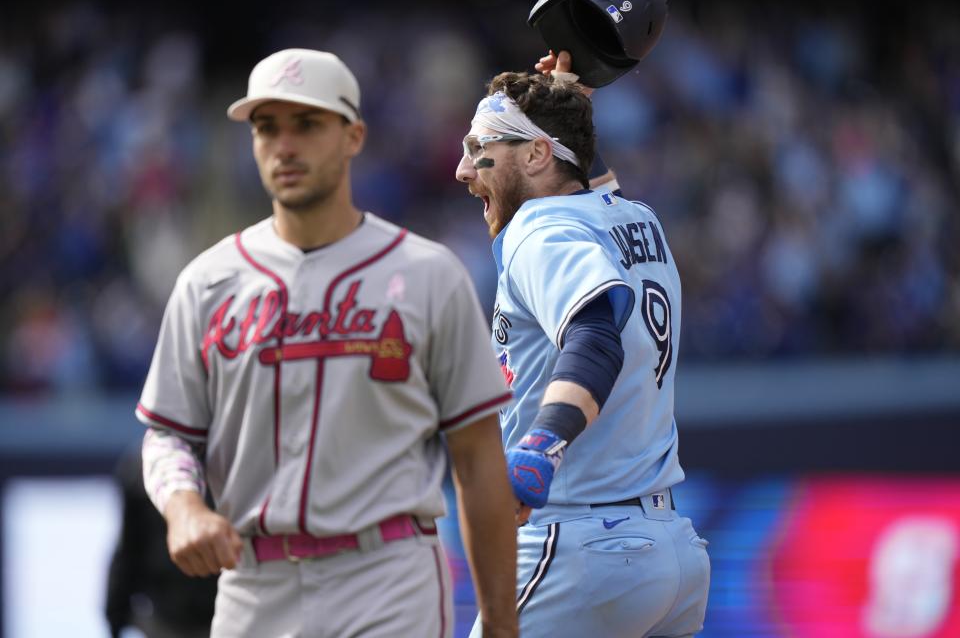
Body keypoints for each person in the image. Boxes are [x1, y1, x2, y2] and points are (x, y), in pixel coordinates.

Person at [135, 48, 519, 638]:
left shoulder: (429, 275)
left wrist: (498, 620)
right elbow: (168, 434)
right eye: (267, 127)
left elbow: (477, 459)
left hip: (386, 575)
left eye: (307, 125)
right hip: (252, 582)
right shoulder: (206, 283)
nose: (284, 145)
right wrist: (183, 506)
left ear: (353, 136)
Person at [456, 50, 711, 637]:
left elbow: (594, 334)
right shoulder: (634, 216)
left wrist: (543, 444)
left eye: (479, 148)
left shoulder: (539, 230)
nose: (465, 170)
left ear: (538, 153)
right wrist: (571, 102)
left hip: (583, 550)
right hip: (669, 545)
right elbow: (582, 179)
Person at [105, 443, 217, 638]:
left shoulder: (234, 461)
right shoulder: (141, 466)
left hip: (231, 611)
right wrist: (115, 617)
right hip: (165, 618)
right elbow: (129, 550)